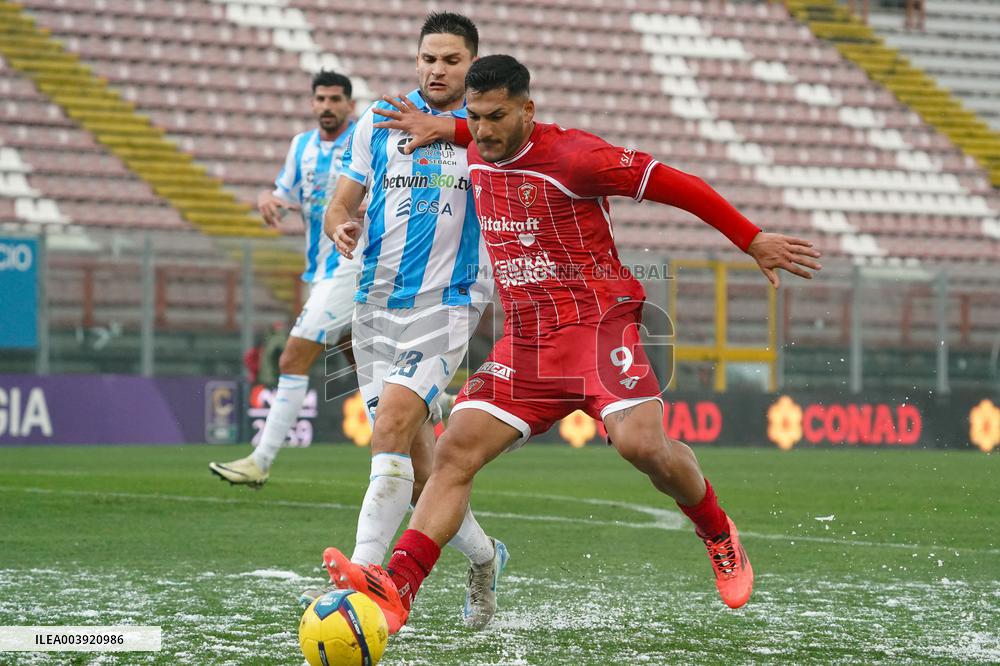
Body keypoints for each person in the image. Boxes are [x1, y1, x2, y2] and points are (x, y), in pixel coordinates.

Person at [321, 55, 824, 633]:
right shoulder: (477, 141)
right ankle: (399, 587)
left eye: (496, 117)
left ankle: (716, 528)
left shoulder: (576, 157)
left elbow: (677, 184)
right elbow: (463, 130)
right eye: (475, 119)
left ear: (528, 110)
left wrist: (752, 238)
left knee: (643, 448)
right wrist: (440, 127)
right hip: (528, 342)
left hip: (598, 328)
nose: (482, 131)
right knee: (455, 448)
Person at [319, 13, 506, 630]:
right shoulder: (378, 120)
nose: (437, 69)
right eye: (429, 57)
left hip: (447, 303)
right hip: (374, 306)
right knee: (425, 468)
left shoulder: (491, 131)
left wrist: (454, 129)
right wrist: (340, 222)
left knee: (392, 425)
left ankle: (363, 583)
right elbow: (342, 199)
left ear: (472, 66)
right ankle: (485, 558)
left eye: (452, 60)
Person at [209, 70, 360, 488]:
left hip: (352, 265)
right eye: (320, 99)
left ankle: (261, 459)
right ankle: (431, 405)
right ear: (312, 104)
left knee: (293, 356)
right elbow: (285, 194)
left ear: (350, 105)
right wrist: (268, 200)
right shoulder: (302, 146)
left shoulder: (363, 141)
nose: (327, 106)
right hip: (320, 270)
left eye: (335, 99)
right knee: (366, 366)